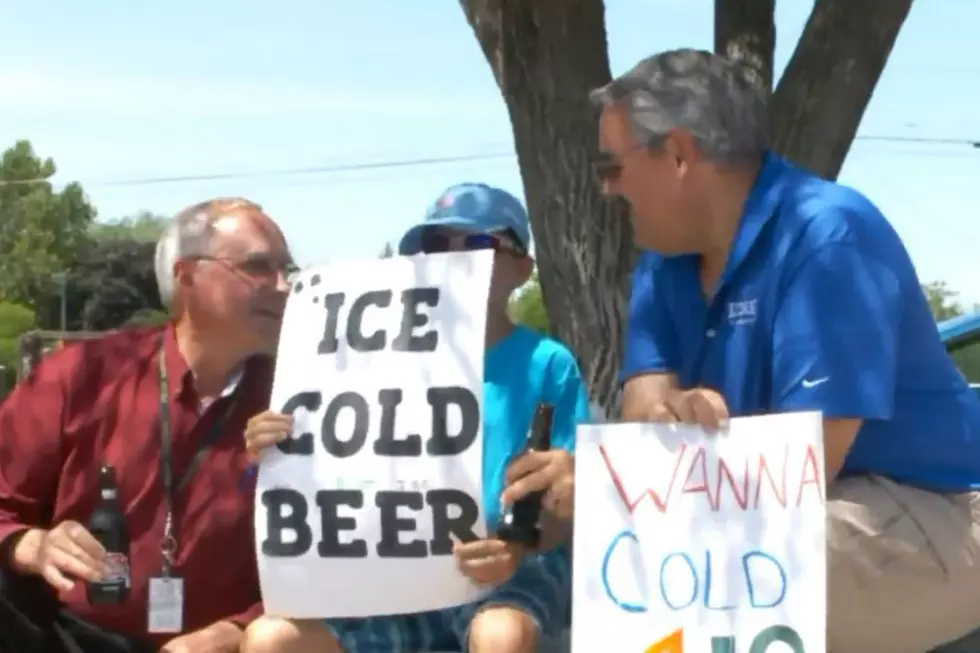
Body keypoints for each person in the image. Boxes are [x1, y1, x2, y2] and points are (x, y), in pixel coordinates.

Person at [592, 48, 980, 653]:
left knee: (730, 576)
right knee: (638, 567)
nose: (606, 187)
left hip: (935, 507)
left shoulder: (828, 235)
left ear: (677, 153)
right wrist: (665, 411)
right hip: (812, 508)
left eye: (612, 165)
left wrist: (607, 487)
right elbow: (641, 402)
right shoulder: (662, 259)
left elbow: (806, 465)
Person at [241, 183, 588, 653]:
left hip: (511, 572)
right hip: (394, 578)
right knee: (270, 640)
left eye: (479, 245)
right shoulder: (361, 356)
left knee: (501, 635)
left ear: (522, 269)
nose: (452, 258)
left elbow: (568, 504)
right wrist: (276, 445)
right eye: (436, 245)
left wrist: (521, 545)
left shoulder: (547, 363)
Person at [0, 197, 295, 653]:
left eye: (286, 268)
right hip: (65, 634)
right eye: (258, 266)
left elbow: (329, 565)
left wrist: (238, 630)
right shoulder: (81, 377)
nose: (283, 285)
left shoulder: (300, 402)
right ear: (187, 277)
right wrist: (26, 543)